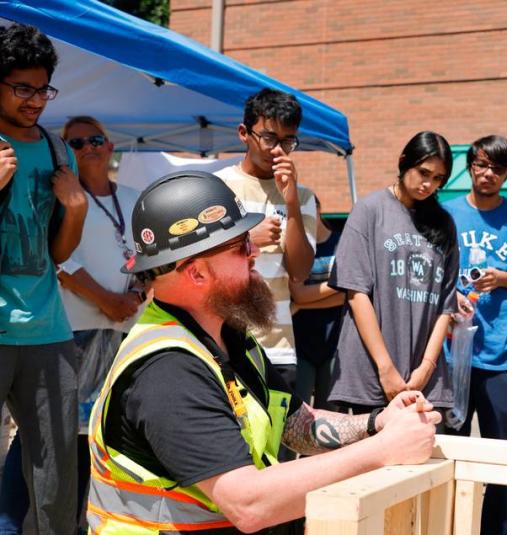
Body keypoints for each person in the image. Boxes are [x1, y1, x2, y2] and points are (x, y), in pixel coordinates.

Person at [86, 170, 440, 533]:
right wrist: (384, 451)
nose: (255, 252)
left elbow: (294, 422)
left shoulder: (229, 336)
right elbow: (248, 503)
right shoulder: (168, 370)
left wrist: (376, 424)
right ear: (196, 273)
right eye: (241, 246)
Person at [0, 23, 87, 535]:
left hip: (49, 333)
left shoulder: (60, 152)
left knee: (56, 485)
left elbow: (56, 252)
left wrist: (74, 209)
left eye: (43, 89)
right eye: (22, 88)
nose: (36, 100)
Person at [442, 135, 507, 535]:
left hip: (504, 356)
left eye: (497, 168)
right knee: (449, 456)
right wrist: (451, 302)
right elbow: (430, 279)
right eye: (481, 165)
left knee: (502, 462)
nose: (487, 174)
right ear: (470, 166)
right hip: (450, 356)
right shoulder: (445, 215)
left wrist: (504, 279)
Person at [328, 131, 458, 414]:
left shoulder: (444, 224)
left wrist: (427, 368)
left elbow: (445, 307)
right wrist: (385, 368)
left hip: (423, 375)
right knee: (376, 457)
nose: (428, 184)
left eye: (438, 179)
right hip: (372, 369)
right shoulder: (369, 210)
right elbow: (356, 294)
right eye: (423, 172)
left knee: (423, 456)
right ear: (403, 162)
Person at [216, 88, 316, 390]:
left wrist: (292, 204)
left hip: (278, 347)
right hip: (222, 341)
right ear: (244, 133)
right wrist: (247, 240)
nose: (278, 150)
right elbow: (199, 264)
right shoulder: (217, 187)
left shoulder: (302, 196)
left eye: (288, 141)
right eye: (269, 138)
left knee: (275, 438)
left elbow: (300, 272)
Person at [290, 198, 345, 410]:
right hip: (300, 342)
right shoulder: (296, 248)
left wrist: (303, 303)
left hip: (335, 341)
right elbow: (299, 294)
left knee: (331, 412)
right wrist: (340, 285)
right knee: (299, 412)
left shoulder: (342, 242)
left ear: (319, 209)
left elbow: (349, 295)